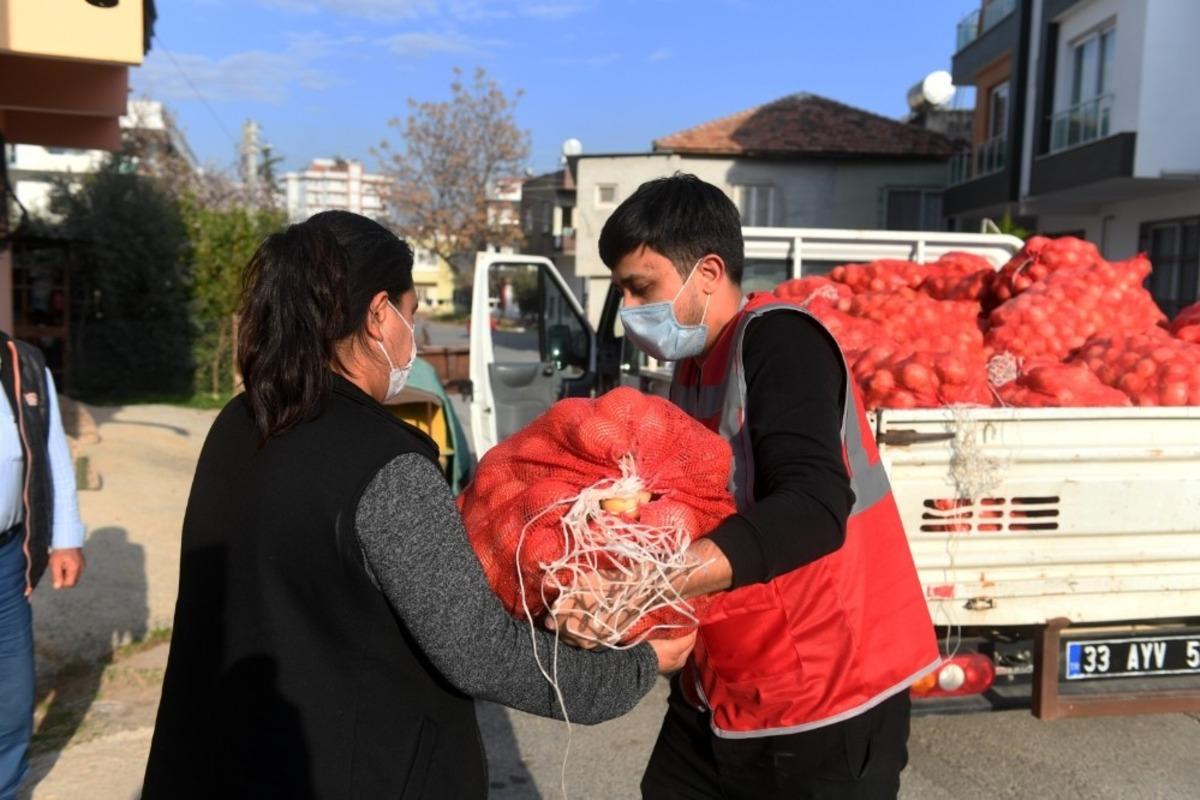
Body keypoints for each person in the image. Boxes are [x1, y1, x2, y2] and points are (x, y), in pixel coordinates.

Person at [141, 210, 694, 799]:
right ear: (379, 314)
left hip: (224, 763)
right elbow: (482, 654)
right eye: (412, 312)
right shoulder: (387, 466)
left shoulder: (240, 422)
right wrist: (638, 665)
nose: (416, 332)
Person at [551, 174, 939, 798]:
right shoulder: (693, 364)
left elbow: (814, 505)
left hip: (825, 688)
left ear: (707, 273)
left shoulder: (781, 341)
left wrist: (655, 580)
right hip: (729, 680)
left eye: (639, 288)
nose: (627, 310)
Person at [0, 333, 86, 800]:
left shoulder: (23, 362)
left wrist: (65, 538)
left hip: (6, 557)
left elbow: (52, 452)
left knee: (12, 698)